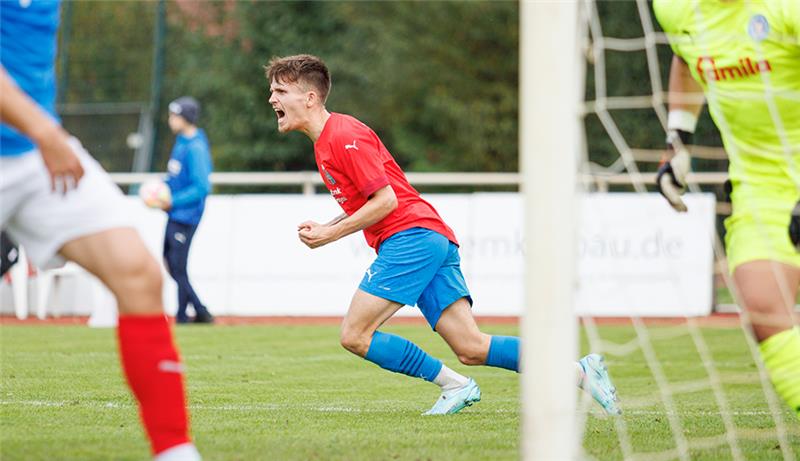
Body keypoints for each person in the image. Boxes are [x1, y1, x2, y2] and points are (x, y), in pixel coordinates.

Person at [264, 54, 621, 415]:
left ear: (310, 98)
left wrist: (331, 234)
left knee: (355, 335)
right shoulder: (326, 141)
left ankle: (454, 385)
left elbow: (385, 201)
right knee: (472, 347)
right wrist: (330, 224)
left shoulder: (344, 135)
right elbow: (368, 198)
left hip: (412, 238)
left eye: (280, 90)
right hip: (427, 236)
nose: (272, 99)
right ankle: (579, 371)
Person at [0, 1, 201, 459]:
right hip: (42, 138)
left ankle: (175, 451)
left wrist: (43, 136)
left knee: (139, 274)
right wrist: (47, 134)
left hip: (32, 152)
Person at [654, 0, 799, 419]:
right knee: (762, 305)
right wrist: (677, 140)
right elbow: (686, 56)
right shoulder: (676, 9)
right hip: (761, 185)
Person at [161, 96, 214, 324]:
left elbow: (202, 187)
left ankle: (192, 314)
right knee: (171, 262)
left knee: (177, 266)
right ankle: (194, 312)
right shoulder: (181, 143)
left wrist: (172, 200)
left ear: (185, 118)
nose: (171, 120)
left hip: (186, 215)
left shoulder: (196, 148)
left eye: (174, 115)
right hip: (175, 213)